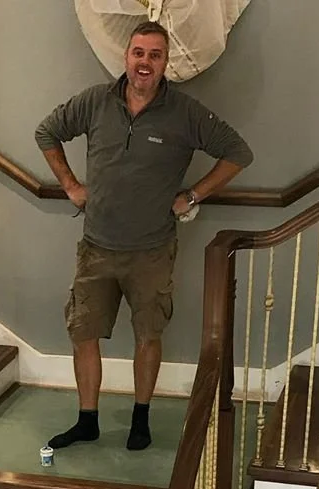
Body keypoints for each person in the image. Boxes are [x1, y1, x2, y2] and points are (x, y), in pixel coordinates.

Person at [35, 20, 252, 451]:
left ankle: (141, 419)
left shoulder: (185, 113)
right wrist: (72, 186)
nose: (145, 63)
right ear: (126, 56)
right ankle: (87, 419)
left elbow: (238, 153)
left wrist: (191, 195)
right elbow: (47, 133)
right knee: (84, 334)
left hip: (152, 252)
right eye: (139, 53)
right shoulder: (95, 102)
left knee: (148, 335)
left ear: (165, 61)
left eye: (155, 55)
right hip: (96, 248)